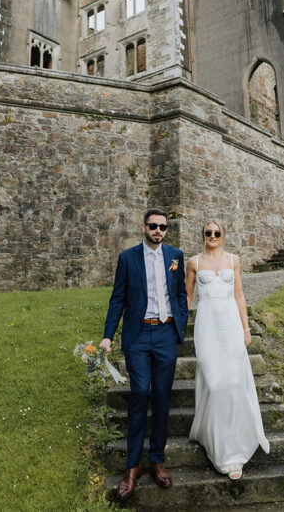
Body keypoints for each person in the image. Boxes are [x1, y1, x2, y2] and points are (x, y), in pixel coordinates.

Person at [100, 208, 188, 501]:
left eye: (163, 227)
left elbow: (179, 295)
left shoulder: (175, 256)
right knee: (139, 392)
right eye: (153, 226)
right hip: (138, 335)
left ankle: (157, 460)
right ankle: (132, 466)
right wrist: (107, 337)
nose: (158, 231)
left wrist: (180, 324)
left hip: (165, 333)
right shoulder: (127, 258)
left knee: (163, 396)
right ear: (143, 227)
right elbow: (118, 299)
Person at [185, 219, 269, 479]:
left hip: (231, 325)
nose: (212, 235)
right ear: (203, 235)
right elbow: (186, 298)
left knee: (233, 384)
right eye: (208, 232)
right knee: (214, 383)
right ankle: (212, 437)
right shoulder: (193, 263)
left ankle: (232, 451)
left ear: (223, 235)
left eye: (217, 232)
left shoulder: (234, 260)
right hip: (207, 327)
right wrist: (173, 327)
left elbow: (240, 296)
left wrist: (246, 329)